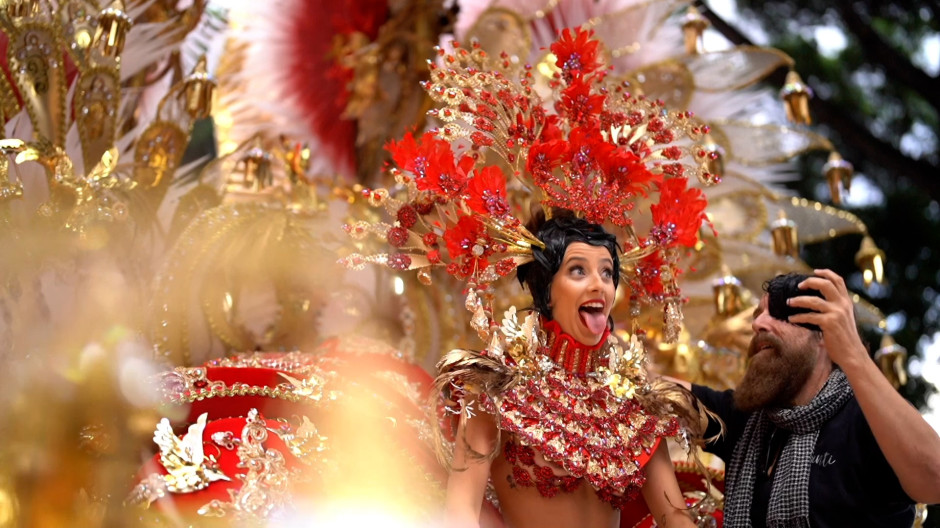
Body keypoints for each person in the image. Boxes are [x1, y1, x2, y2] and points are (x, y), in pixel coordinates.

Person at [437, 212, 708, 528]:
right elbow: (460, 514)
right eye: (578, 270)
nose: (599, 285)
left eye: (607, 273)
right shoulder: (496, 388)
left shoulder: (634, 402)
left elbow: (674, 517)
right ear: (547, 289)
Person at [678, 270, 940, 527]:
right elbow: (655, 394)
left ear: (825, 334)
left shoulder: (868, 417)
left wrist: (853, 353)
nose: (757, 324)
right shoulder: (747, 421)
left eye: (780, 314)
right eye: (758, 315)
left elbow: (935, 481)